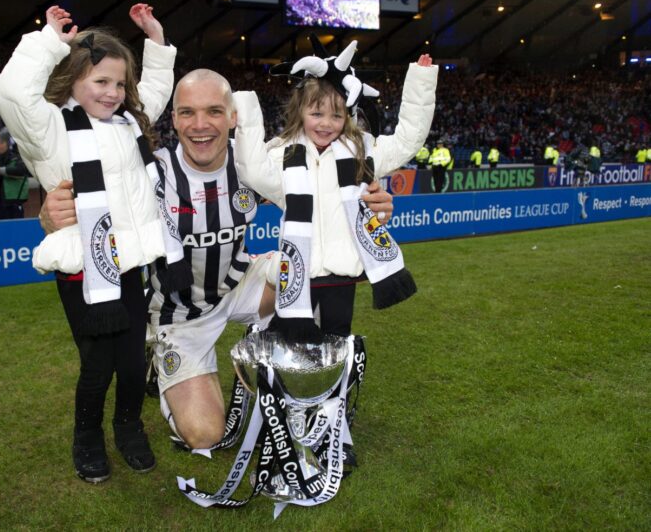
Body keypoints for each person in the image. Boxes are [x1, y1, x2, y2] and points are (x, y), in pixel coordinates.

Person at [40, 69, 395, 450]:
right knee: (205, 435)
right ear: (173, 119)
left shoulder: (254, 165)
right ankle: (156, 358)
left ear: (232, 117)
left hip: (242, 285)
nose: (200, 125)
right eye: (187, 113)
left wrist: (370, 205)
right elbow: (92, 208)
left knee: (308, 272)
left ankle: (297, 376)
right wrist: (49, 216)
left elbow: (327, 185)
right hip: (181, 313)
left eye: (213, 111)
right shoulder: (148, 170)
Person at [0, 4, 176, 483]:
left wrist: (155, 40)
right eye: (101, 82)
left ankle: (128, 427)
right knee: (98, 365)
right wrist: (49, 41)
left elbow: (155, 90)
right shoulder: (51, 129)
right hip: (82, 269)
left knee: (134, 362)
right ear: (72, 78)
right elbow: (12, 93)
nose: (113, 93)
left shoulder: (130, 124)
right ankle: (88, 437)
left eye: (119, 84)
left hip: (130, 265)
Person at [233, 43, 437, 343]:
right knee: (287, 347)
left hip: (343, 277)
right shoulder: (281, 154)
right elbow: (251, 170)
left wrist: (421, 80)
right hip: (296, 277)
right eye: (317, 113)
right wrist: (247, 112)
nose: (326, 124)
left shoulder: (361, 151)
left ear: (349, 116)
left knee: (336, 346)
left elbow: (408, 141)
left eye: (337, 116)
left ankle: (335, 392)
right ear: (300, 111)